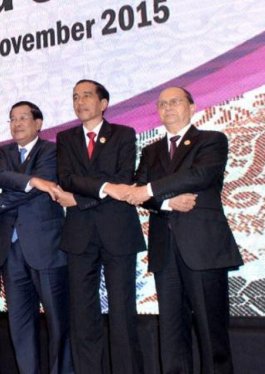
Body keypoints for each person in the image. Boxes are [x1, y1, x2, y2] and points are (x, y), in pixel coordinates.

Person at [124, 87, 243, 373]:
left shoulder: (212, 140)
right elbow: (138, 191)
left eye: (175, 102)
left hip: (204, 250)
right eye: (162, 104)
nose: (168, 108)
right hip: (166, 252)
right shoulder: (151, 150)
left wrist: (153, 190)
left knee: (211, 335)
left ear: (191, 106)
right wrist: (167, 202)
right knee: (172, 334)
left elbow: (200, 175)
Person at [0, 101, 73, 374]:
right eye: (12, 118)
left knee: (58, 323)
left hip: (46, 247)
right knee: (20, 324)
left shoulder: (52, 150)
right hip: (10, 250)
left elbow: (42, 185)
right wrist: (33, 181)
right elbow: (1, 176)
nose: (16, 123)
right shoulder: (3, 152)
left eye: (23, 118)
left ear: (38, 123)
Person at [55, 80, 145, 374]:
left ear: (103, 103)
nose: (79, 102)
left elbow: (123, 177)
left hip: (118, 232)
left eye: (86, 96)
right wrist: (105, 187)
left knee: (122, 313)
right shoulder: (66, 138)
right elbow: (66, 178)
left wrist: (81, 199)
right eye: (75, 97)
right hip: (79, 236)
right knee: (83, 316)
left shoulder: (123, 134)